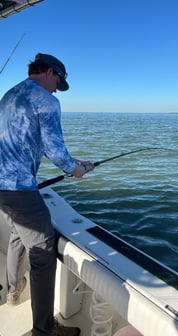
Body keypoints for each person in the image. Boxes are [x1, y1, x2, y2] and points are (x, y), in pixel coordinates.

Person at [0, 53, 94, 336]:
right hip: (18, 188)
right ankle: (44, 330)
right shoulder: (47, 100)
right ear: (51, 73)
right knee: (42, 253)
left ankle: (14, 291)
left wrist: (74, 162)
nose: (57, 89)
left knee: (18, 234)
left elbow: (34, 143)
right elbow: (54, 149)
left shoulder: (9, 95)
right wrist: (75, 169)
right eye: (59, 83)